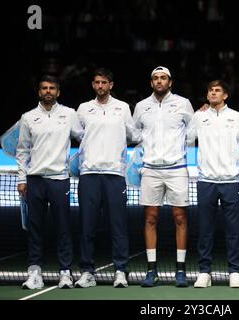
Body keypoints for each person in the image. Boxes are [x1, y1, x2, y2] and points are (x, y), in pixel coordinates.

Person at [74, 68, 141, 289]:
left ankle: (121, 271)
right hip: (89, 174)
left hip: (115, 174)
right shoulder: (83, 109)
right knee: (87, 226)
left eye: (104, 82)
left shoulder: (122, 108)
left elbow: (133, 134)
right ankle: (87, 272)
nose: (100, 86)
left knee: (119, 226)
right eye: (97, 82)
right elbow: (76, 133)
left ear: (111, 85)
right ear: (93, 85)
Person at [16, 75, 83, 289]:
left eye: (52, 88)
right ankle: (35, 273)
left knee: (63, 228)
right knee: (35, 228)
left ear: (58, 92)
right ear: (39, 91)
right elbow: (22, 150)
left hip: (59, 180)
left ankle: (65, 272)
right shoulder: (27, 117)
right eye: (44, 88)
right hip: (34, 180)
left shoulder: (69, 114)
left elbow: (84, 137)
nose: (48, 91)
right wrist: (21, 178)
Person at [133, 66, 194, 287]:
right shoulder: (141, 106)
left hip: (177, 169)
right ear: (151, 83)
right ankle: (152, 270)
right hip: (150, 169)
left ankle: (180, 270)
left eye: (163, 78)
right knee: (150, 218)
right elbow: (135, 133)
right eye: (156, 78)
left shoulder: (183, 103)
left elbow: (192, 132)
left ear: (170, 82)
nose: (159, 81)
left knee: (180, 217)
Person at [186, 80, 239, 288]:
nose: (212, 93)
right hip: (206, 181)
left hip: (231, 181)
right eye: (210, 91)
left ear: (225, 96)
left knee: (233, 230)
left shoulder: (237, 117)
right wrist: (196, 114)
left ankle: (235, 272)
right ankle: (205, 272)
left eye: (217, 91)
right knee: (205, 230)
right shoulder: (199, 116)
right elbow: (188, 139)